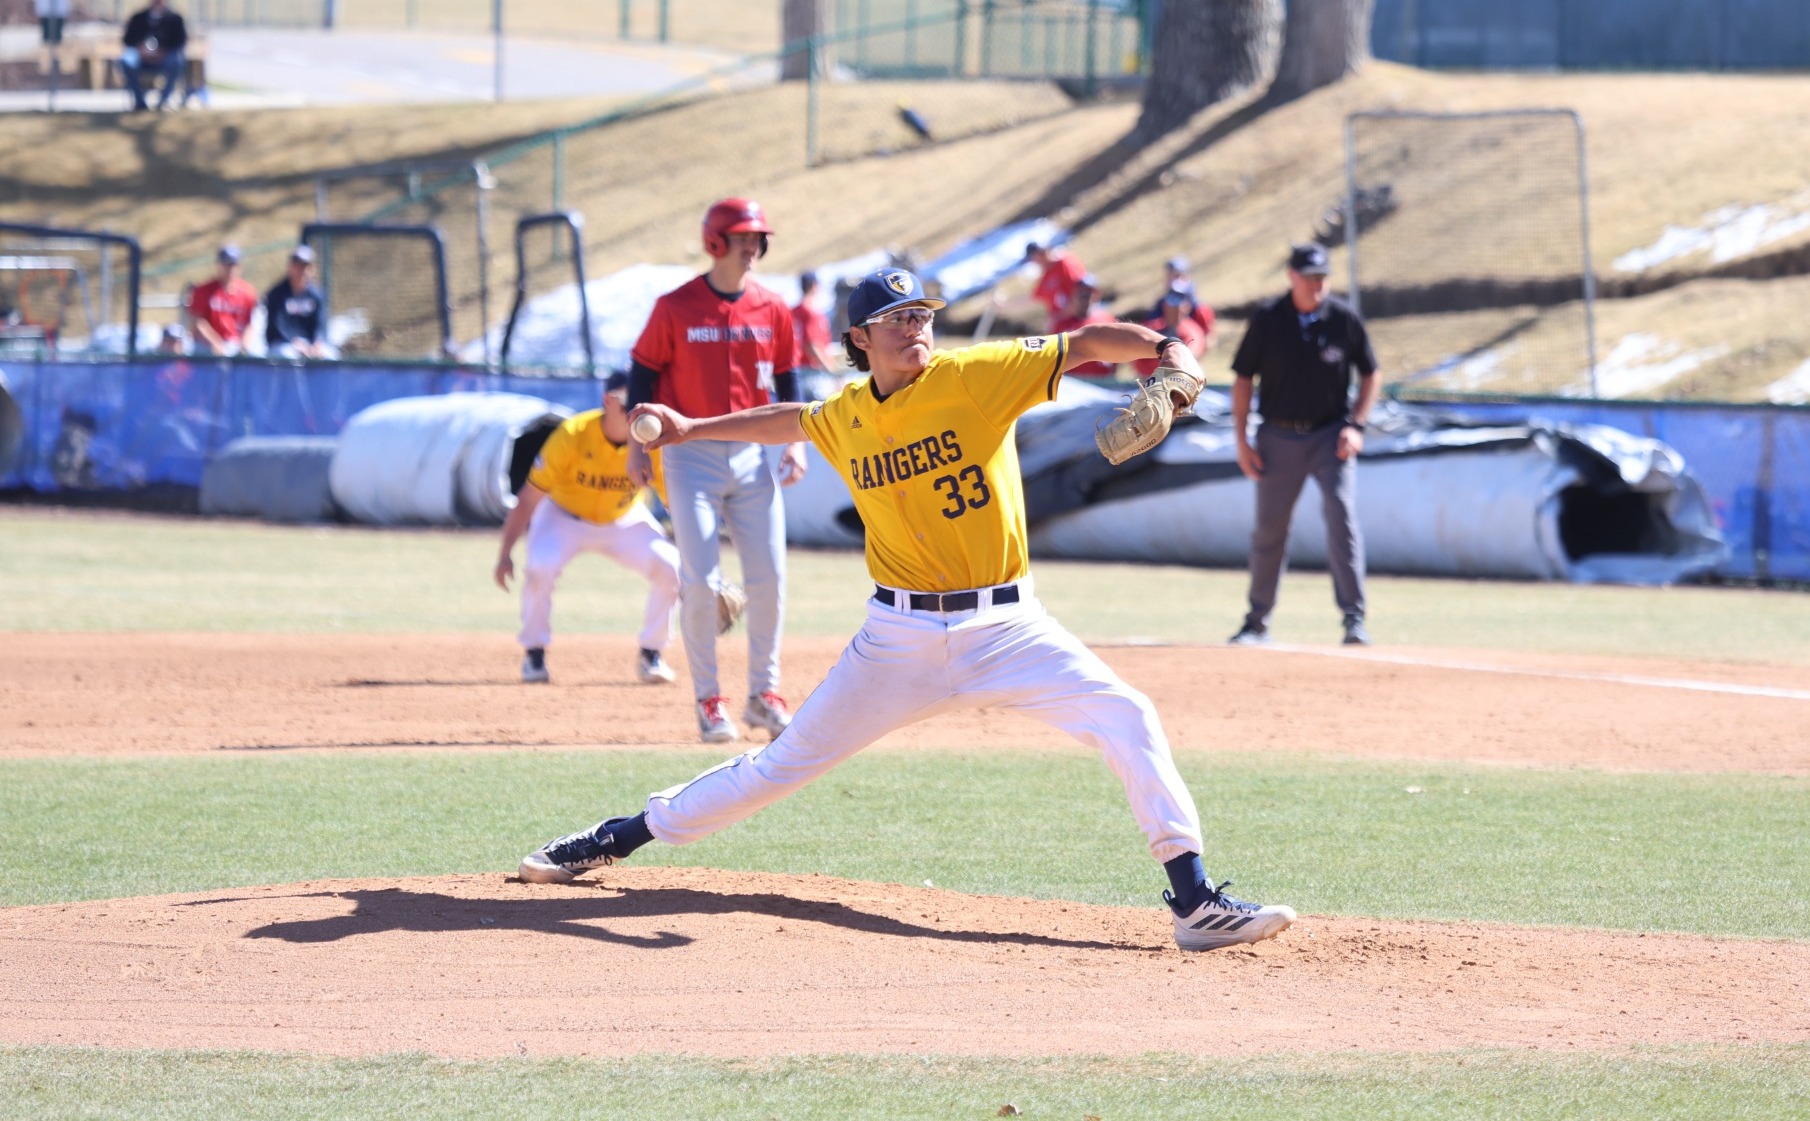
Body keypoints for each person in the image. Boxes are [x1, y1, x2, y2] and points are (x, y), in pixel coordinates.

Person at [516, 267, 1298, 955]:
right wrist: (692, 428)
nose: (914, 327)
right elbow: (791, 416)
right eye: (895, 318)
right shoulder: (848, 412)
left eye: (922, 314)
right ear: (860, 337)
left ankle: (1194, 901)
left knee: (1127, 714)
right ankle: (616, 836)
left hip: (1008, 626)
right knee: (777, 767)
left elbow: (1087, 340)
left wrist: (1168, 349)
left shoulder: (978, 375)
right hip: (897, 638)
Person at [625, 197, 807, 744]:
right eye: (742, 237)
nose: (752, 247)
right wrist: (637, 448)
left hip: (753, 453)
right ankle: (709, 699)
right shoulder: (675, 306)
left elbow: (788, 378)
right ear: (715, 241)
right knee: (701, 582)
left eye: (757, 238)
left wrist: (796, 443)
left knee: (770, 578)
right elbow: (641, 375)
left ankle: (763, 695)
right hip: (689, 455)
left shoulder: (772, 306)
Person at [1227, 243, 1380, 648]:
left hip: (1331, 436)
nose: (1317, 284)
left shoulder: (1343, 318)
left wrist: (1357, 425)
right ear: (1291, 277)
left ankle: (1354, 619)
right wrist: (1241, 440)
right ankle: (1256, 622)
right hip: (1277, 438)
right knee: (1270, 529)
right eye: (1310, 277)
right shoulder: (1268, 319)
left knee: (1341, 518)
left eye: (1322, 277)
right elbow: (1242, 379)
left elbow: (1371, 373)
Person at [494, 373, 682, 687]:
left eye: (644, 403)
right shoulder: (573, 434)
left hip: (623, 518)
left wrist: (701, 561)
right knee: (540, 567)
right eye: (629, 402)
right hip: (563, 517)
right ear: (607, 400)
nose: (637, 412)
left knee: (671, 566)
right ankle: (534, 653)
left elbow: (675, 504)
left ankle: (652, 653)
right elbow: (528, 498)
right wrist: (505, 554)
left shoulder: (652, 442)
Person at [185, 244, 258, 356]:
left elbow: (250, 323)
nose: (231, 269)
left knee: (256, 354)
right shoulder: (203, 290)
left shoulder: (248, 292)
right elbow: (197, 322)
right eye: (227, 264)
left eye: (234, 264)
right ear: (219, 265)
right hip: (206, 344)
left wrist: (244, 346)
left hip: (235, 343)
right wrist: (216, 343)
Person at [1130, 283, 1211, 378]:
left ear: (1187, 306)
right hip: (1147, 378)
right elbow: (1135, 353)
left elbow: (1189, 357)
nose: (1174, 307)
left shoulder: (1192, 330)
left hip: (1180, 379)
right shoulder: (1154, 326)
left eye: (1179, 300)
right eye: (1170, 299)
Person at [119, 0, 187, 112]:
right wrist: (140, 49)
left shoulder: (175, 19)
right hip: (141, 58)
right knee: (127, 60)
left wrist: (163, 51)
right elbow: (127, 40)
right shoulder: (138, 18)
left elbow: (179, 41)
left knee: (176, 60)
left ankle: (163, 101)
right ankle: (140, 102)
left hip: (165, 57)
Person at [263, 245, 330, 359]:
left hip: (309, 344)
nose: (302, 271)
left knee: (329, 355)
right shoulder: (277, 294)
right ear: (290, 267)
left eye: (306, 266)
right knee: (289, 355)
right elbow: (277, 327)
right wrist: (295, 343)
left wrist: (317, 342)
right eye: (298, 266)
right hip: (282, 343)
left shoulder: (317, 296)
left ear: (312, 269)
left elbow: (320, 324)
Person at [1049, 274, 1118, 379]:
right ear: (1073, 295)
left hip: (1103, 379)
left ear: (1096, 295)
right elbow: (1054, 357)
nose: (1085, 296)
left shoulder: (1107, 319)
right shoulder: (1061, 325)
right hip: (1075, 382)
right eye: (1081, 292)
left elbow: (1118, 349)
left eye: (1089, 292)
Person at [1024, 240, 1088, 327]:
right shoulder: (1045, 278)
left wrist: (1060, 316)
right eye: (1035, 258)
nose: (1040, 259)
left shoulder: (1064, 262)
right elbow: (1033, 297)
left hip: (1081, 318)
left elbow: (1083, 291)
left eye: (1042, 253)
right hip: (1064, 324)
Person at [791, 271, 839, 375]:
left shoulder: (793, 311)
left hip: (797, 368)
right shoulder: (811, 311)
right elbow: (811, 345)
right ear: (814, 285)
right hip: (813, 369)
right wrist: (831, 371)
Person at [1162, 255, 1216, 337]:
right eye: (1170, 275)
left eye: (1178, 275)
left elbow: (1209, 337)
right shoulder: (1161, 305)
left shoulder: (1201, 311)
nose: (1174, 279)